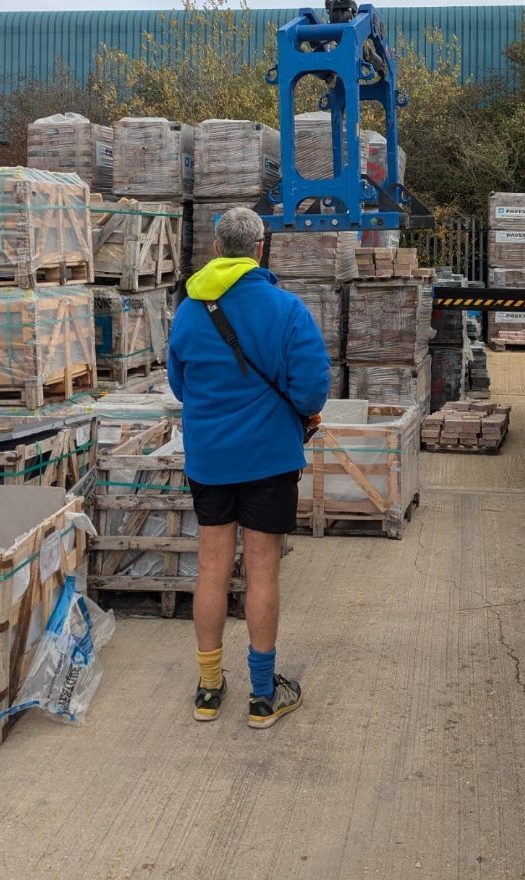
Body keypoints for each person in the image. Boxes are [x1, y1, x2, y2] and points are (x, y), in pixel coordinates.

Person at [167, 206, 331, 726]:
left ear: (216, 249)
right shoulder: (287, 309)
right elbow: (311, 389)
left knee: (212, 568)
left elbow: (179, 384)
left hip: (210, 460)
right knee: (262, 571)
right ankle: (264, 695)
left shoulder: (190, 310)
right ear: (261, 250)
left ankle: (209, 689)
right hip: (269, 460)